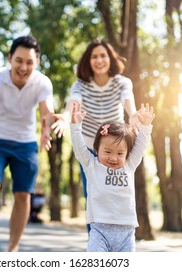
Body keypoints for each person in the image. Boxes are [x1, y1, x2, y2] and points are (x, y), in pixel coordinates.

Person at [0, 35, 55, 252]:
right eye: (19, 60)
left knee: (22, 194)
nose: (23, 67)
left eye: (29, 62)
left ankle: (12, 250)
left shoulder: (42, 82)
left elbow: (46, 112)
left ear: (36, 63)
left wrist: (46, 130)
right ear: (10, 58)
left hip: (25, 142)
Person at [52, 39, 139, 231]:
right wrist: (66, 117)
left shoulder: (121, 82)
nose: (99, 60)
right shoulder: (80, 84)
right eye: (94, 57)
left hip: (116, 149)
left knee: (118, 190)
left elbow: (127, 98)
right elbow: (74, 101)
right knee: (93, 194)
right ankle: (96, 241)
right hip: (91, 149)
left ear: (110, 59)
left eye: (103, 56)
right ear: (88, 61)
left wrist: (132, 114)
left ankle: (121, 237)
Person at [70, 102, 155, 252]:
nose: (114, 158)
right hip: (99, 231)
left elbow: (140, 146)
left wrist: (146, 126)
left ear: (127, 154)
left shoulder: (129, 165)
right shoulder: (91, 164)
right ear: (97, 149)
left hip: (126, 233)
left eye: (120, 153)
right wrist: (75, 126)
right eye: (108, 152)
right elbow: (79, 148)